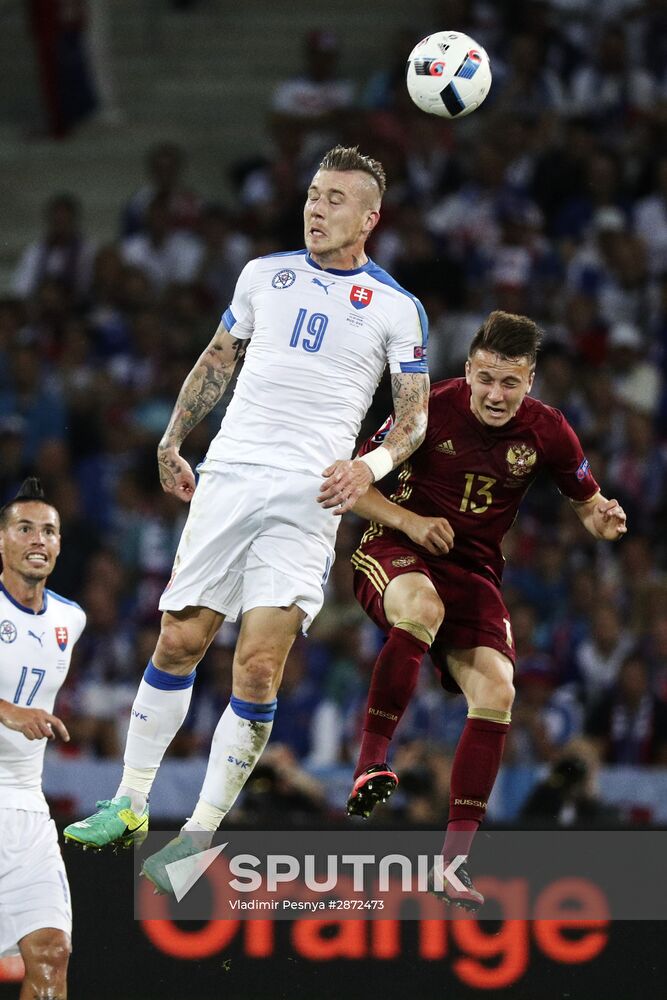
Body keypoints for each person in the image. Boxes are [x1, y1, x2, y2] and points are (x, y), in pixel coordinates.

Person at [64, 145, 430, 893]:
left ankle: (195, 842)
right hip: (230, 475)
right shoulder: (264, 274)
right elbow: (218, 358)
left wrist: (370, 469)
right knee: (179, 638)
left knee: (258, 664)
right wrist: (172, 438)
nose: (317, 209)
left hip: (308, 497)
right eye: (312, 195)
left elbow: (413, 421)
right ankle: (130, 803)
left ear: (369, 216)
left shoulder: (396, 306)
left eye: (335, 199)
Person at [345, 310, 627, 911]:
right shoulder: (428, 409)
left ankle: (453, 865)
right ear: (469, 370)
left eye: (511, 383)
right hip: (397, 542)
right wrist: (411, 522)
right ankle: (370, 764)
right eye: (486, 378)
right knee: (419, 607)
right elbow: (354, 486)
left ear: (531, 381)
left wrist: (601, 518)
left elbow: (589, 501)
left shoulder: (549, 431)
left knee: (499, 691)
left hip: (472, 571)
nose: (496, 395)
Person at [0, 477, 86, 999]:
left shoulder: (69, 619)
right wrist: (8, 712)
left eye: (49, 531)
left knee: (52, 953)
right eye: (25, 528)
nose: (38, 539)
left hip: (27, 811)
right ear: (1, 541)